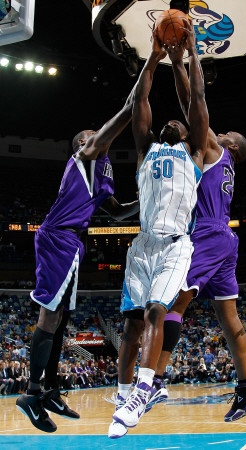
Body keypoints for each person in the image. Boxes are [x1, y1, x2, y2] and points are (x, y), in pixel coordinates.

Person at [150, 31, 246, 422]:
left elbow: (193, 103)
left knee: (172, 300)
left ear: (232, 146)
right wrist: (179, 63)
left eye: (227, 134)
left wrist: (185, 58)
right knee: (228, 317)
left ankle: (156, 379)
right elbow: (191, 110)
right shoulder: (224, 162)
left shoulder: (217, 150)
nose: (221, 132)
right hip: (225, 237)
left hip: (209, 233)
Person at [16, 86, 140, 433]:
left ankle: (51, 389)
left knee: (61, 318)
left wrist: (147, 199)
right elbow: (128, 110)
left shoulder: (102, 171)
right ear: (82, 146)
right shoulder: (85, 158)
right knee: (49, 316)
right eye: (89, 137)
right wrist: (146, 73)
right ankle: (32, 393)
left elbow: (116, 214)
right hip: (58, 237)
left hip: (72, 243)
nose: (95, 138)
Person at [109, 22, 208, 438]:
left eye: (179, 123)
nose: (173, 121)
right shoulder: (148, 149)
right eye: (169, 122)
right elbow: (140, 101)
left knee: (155, 312)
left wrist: (184, 58)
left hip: (173, 245)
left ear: (188, 136)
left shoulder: (196, 151)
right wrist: (152, 55)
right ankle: (123, 391)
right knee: (133, 326)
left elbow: (197, 99)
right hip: (141, 245)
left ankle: (144, 391)